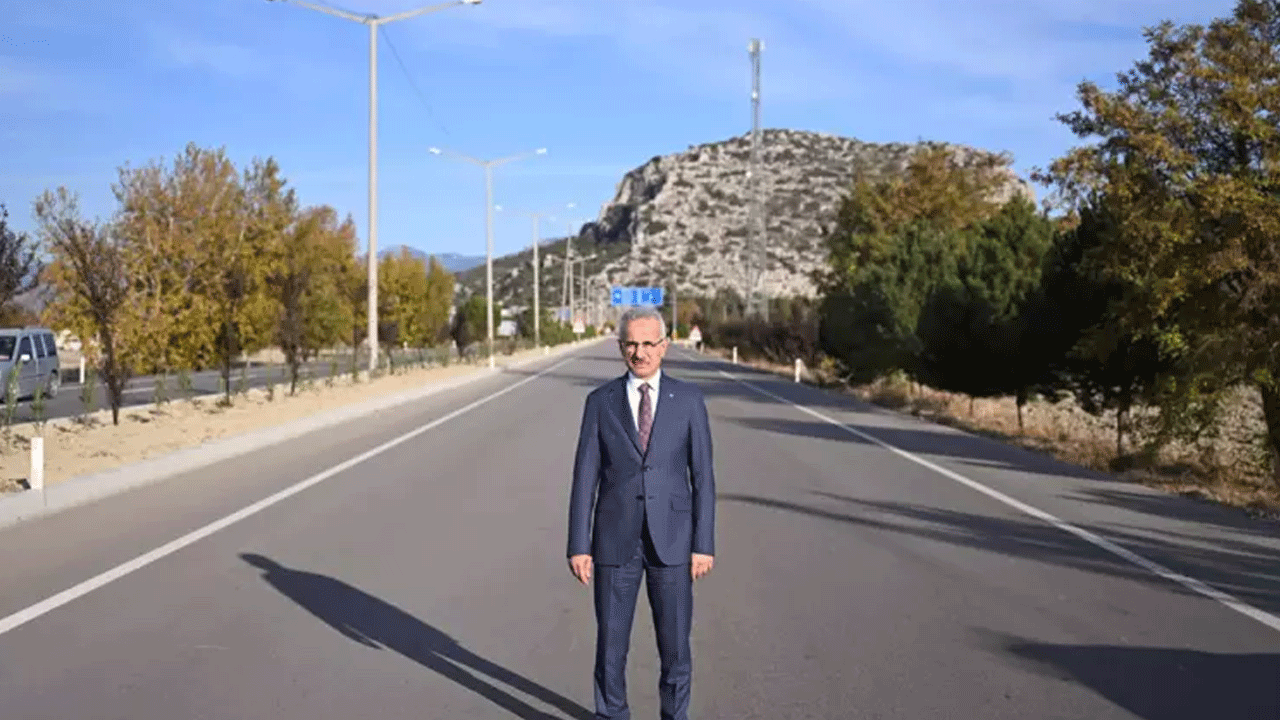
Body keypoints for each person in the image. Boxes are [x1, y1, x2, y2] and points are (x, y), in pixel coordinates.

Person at [567, 306, 716, 720]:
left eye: (649, 343)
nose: (640, 352)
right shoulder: (600, 402)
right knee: (611, 648)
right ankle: (611, 714)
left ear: (664, 346)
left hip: (673, 542)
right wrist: (579, 544)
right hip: (615, 543)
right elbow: (585, 478)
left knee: (675, 649)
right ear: (620, 347)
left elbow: (703, 477)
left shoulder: (688, 400)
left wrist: (703, 544)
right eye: (631, 343)